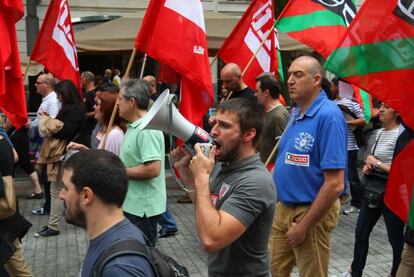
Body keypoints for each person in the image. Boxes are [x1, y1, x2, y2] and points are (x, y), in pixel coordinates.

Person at [172, 97, 276, 276]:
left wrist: (202, 177)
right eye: (215, 123)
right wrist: (189, 177)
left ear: (249, 134)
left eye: (225, 126)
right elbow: (208, 211)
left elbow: (211, 239)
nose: (213, 131)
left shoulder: (256, 182)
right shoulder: (224, 165)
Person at [269, 56, 347, 277]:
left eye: (298, 75)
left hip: (310, 212)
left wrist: (303, 226)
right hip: (283, 208)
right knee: (273, 270)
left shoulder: (329, 116)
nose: (290, 80)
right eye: (290, 74)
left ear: (316, 80)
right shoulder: (296, 112)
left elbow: (335, 184)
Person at [59, 150, 155, 277]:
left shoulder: (119, 269)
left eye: (66, 188)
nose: (61, 195)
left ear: (86, 195)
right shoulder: (114, 238)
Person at [343, 103, 404, 277]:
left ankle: (396, 273)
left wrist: (376, 163)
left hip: (393, 194)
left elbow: (402, 171)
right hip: (373, 190)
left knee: (395, 238)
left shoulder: (402, 136)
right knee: (361, 233)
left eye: (387, 107)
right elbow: (371, 160)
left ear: (397, 112)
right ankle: (355, 272)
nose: (381, 110)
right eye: (381, 106)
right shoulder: (377, 134)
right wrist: (368, 167)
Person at [118, 79, 166, 246]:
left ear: (131, 102)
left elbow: (153, 169)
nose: (117, 103)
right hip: (134, 206)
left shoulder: (147, 130)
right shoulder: (135, 126)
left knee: (143, 257)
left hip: (142, 210)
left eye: (120, 99)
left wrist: (119, 170)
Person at [34, 80, 86, 238]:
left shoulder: (73, 110)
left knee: (56, 190)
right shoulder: (73, 109)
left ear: (65, 94)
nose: (57, 98)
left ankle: (53, 226)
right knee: (69, 188)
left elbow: (65, 131)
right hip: (67, 153)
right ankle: (78, 217)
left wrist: (47, 122)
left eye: (59, 94)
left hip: (65, 154)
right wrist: (51, 121)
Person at [330, 77, 367, 213]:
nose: (330, 88)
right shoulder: (332, 103)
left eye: (332, 86)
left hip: (350, 146)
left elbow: (364, 120)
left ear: (338, 87)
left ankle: (358, 203)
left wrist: (347, 123)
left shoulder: (351, 104)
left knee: (352, 176)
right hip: (337, 146)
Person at [0, 133, 33, 276]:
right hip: (8, 213)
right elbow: (15, 156)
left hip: (4, 219)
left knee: (18, 268)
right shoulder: (2, 138)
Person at [29, 73, 60, 215]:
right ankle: (48, 205)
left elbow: (52, 124)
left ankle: (49, 207)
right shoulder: (47, 99)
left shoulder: (53, 100)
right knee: (45, 178)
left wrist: (34, 124)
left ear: (47, 85)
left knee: (48, 178)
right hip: (43, 143)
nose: (35, 85)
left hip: (48, 144)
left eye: (38, 82)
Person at [255, 73, 289, 168]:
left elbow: (283, 149)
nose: (255, 94)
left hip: (272, 169)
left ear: (266, 93)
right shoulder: (267, 112)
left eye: (257, 91)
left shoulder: (279, 115)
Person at [80, 71, 97, 147]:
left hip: (91, 130)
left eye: (81, 79)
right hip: (85, 130)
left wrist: (85, 115)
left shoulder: (94, 94)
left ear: (85, 80)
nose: (79, 81)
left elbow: (97, 111)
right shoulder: (84, 93)